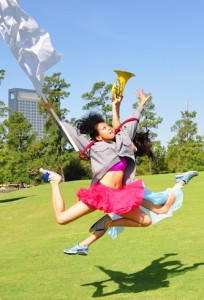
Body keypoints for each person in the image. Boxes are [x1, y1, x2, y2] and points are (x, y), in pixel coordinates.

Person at [40, 90, 198, 255]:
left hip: (119, 196)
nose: (108, 129)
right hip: (100, 194)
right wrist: (52, 112)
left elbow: (130, 123)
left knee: (146, 221)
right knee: (61, 219)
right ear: (98, 137)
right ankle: (54, 181)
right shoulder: (93, 147)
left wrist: (140, 104)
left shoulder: (122, 142)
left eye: (108, 126)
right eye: (104, 128)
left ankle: (106, 226)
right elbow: (69, 133)